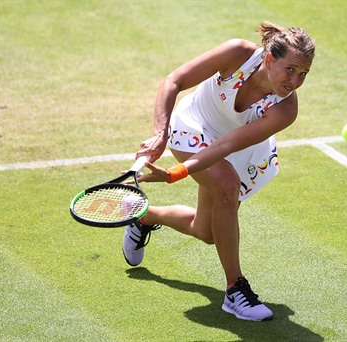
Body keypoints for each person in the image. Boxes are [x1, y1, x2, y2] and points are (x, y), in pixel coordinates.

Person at [122, 22, 315, 321]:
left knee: (207, 231)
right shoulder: (237, 53)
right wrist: (160, 134)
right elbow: (173, 81)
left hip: (232, 146)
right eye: (290, 70)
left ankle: (145, 216)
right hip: (195, 125)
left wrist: (176, 173)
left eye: (303, 74)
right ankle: (235, 290)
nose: (295, 81)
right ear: (268, 59)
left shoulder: (285, 109)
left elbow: (227, 146)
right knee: (225, 186)